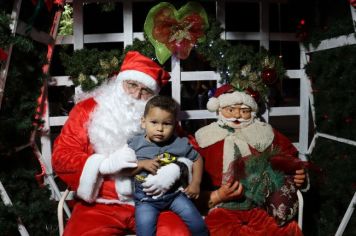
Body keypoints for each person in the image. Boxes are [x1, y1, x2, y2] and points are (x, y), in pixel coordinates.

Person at [52, 51, 191, 235]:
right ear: (119, 82)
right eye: (132, 85)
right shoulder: (87, 110)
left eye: (145, 91)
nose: (136, 94)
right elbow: (62, 156)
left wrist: (177, 169)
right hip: (100, 204)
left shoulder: (157, 115)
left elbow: (190, 148)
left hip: (156, 202)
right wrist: (103, 165)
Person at [194, 84, 307, 236]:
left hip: (260, 205)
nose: (238, 115)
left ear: (252, 112)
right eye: (231, 110)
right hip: (220, 207)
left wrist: (299, 174)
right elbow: (190, 172)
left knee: (284, 230)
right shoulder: (205, 137)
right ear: (220, 109)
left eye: (244, 111)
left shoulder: (265, 133)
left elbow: (290, 157)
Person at [127, 95, 208, 236]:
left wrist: (196, 183)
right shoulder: (135, 143)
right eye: (154, 122)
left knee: (198, 226)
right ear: (143, 122)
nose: (160, 129)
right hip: (146, 200)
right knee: (144, 231)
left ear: (175, 125)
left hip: (174, 195)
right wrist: (141, 164)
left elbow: (197, 159)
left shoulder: (179, 143)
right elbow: (124, 169)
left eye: (167, 124)